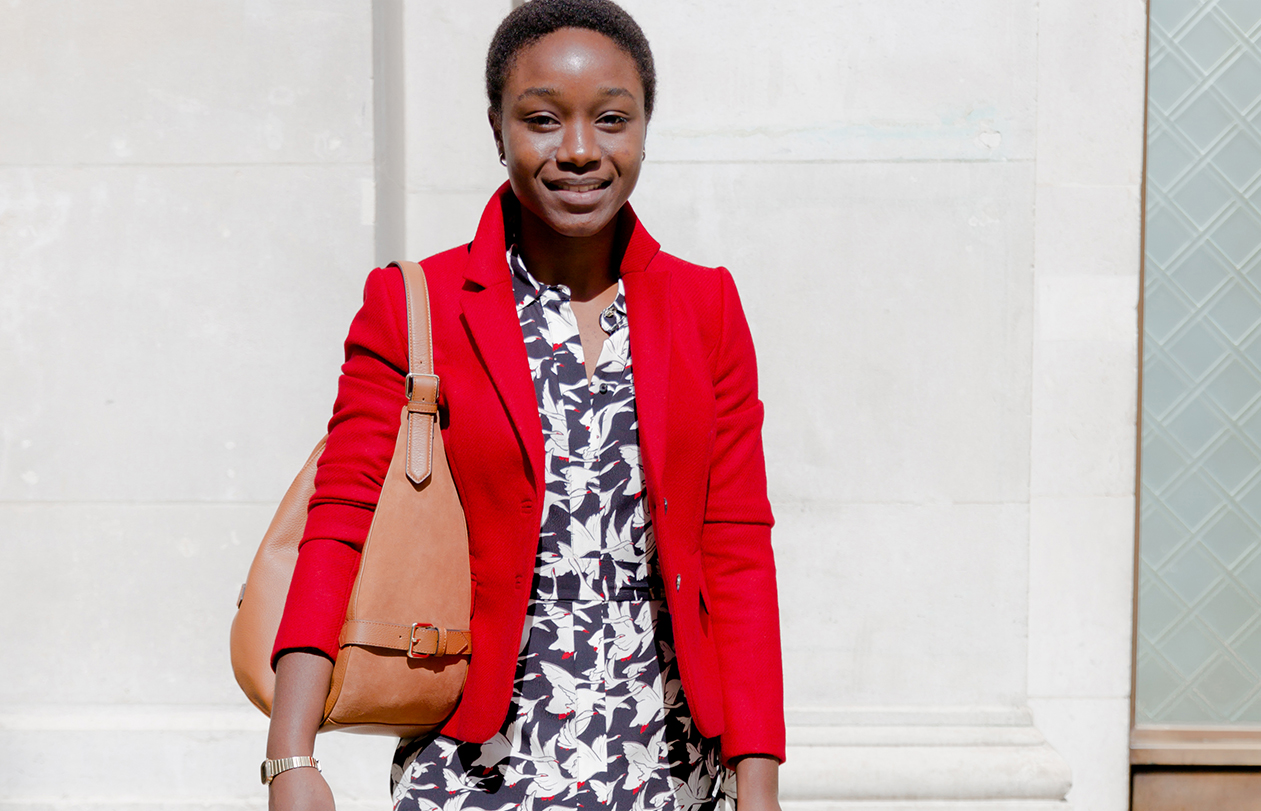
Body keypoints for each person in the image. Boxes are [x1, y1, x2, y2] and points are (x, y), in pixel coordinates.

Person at [264, 1, 783, 809]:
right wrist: (290, 756)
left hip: (669, 766)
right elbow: (340, 520)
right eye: (542, 119)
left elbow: (737, 549)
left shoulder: (705, 307)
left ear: (646, 125)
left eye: (612, 119)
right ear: (497, 126)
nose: (579, 150)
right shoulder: (417, 304)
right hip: (476, 765)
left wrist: (758, 779)